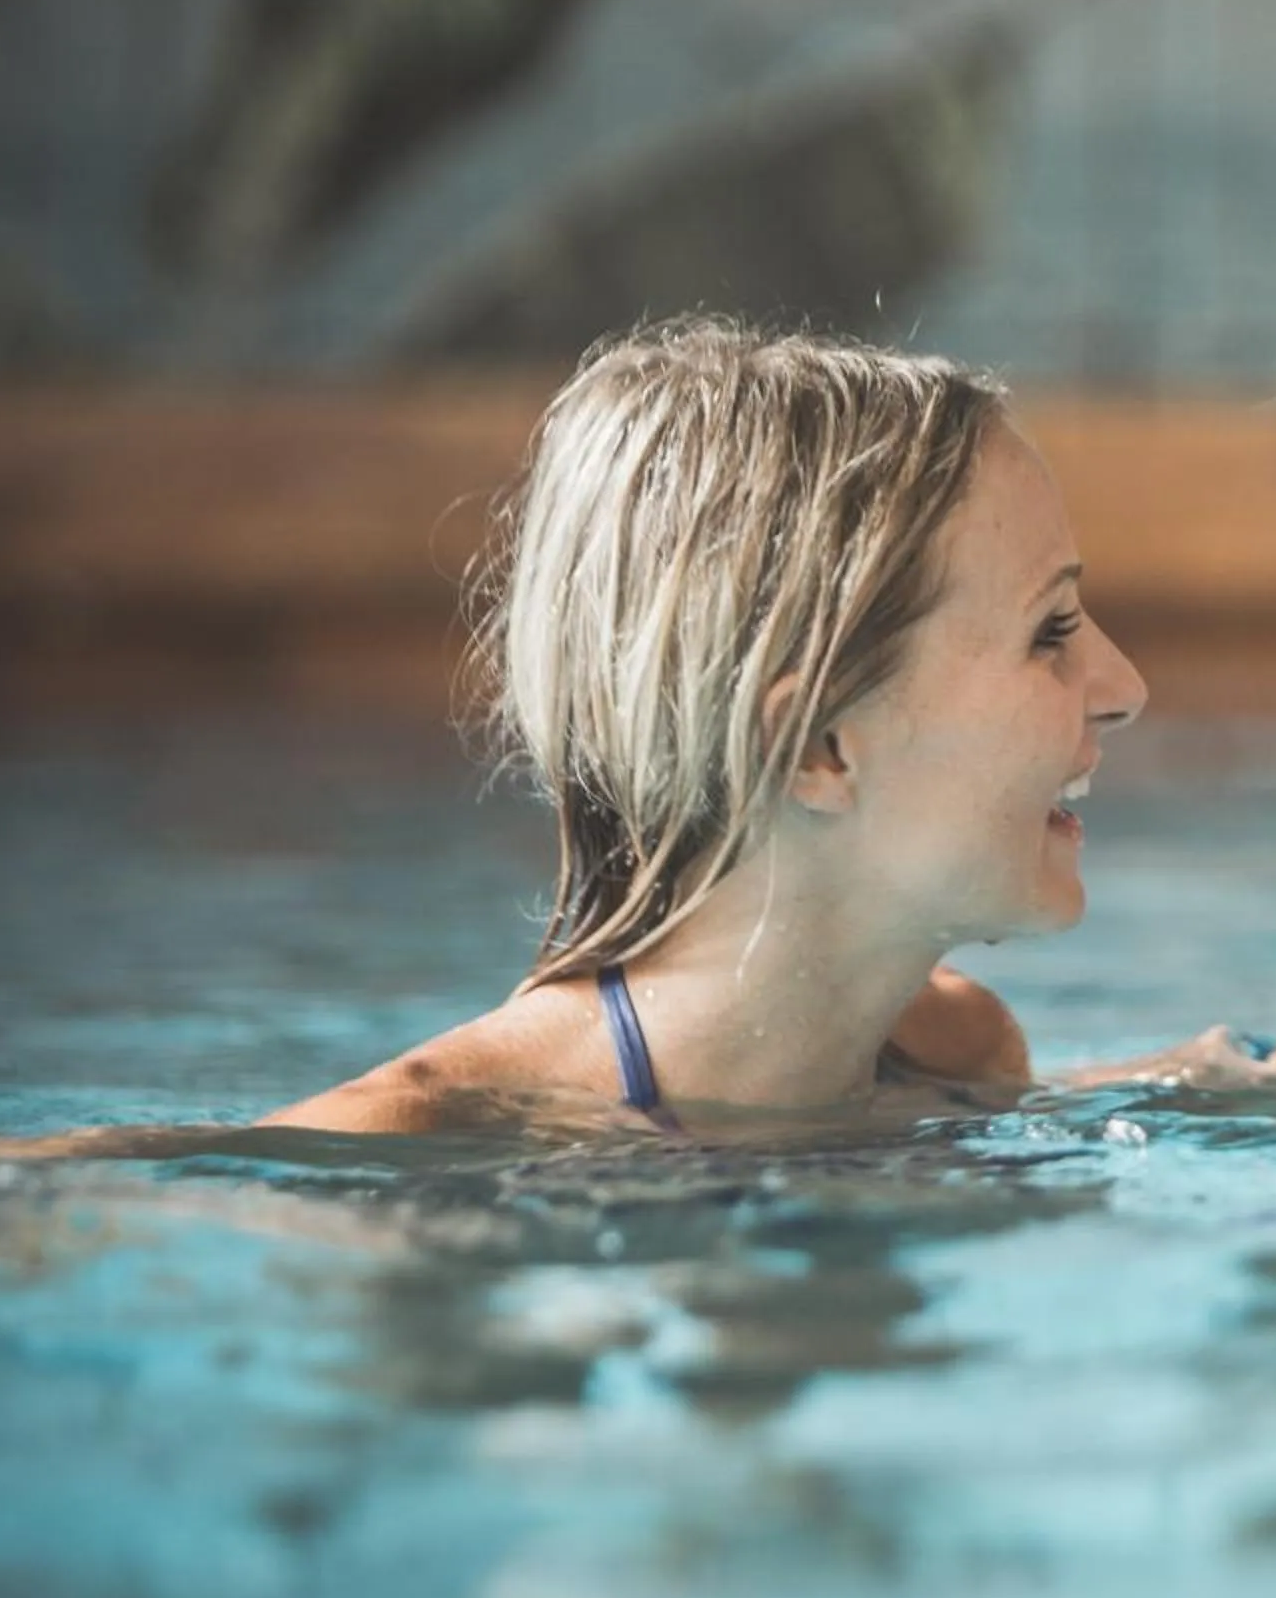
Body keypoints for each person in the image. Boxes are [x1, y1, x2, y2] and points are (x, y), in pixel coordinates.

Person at [266, 317, 1147, 1135]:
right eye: (1051, 632)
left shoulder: (961, 1059)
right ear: (816, 749)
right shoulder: (411, 1151)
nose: (1125, 688)